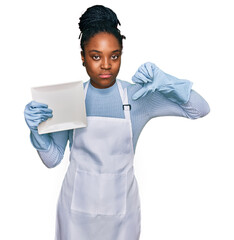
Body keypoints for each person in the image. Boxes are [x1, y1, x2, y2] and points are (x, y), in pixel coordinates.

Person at [24, 5, 210, 240]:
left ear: (121, 54)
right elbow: (53, 159)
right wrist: (37, 133)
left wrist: (168, 82)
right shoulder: (69, 99)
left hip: (122, 214)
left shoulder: (137, 97)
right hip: (75, 215)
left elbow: (200, 109)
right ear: (82, 57)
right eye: (95, 56)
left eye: (114, 55)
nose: (105, 65)